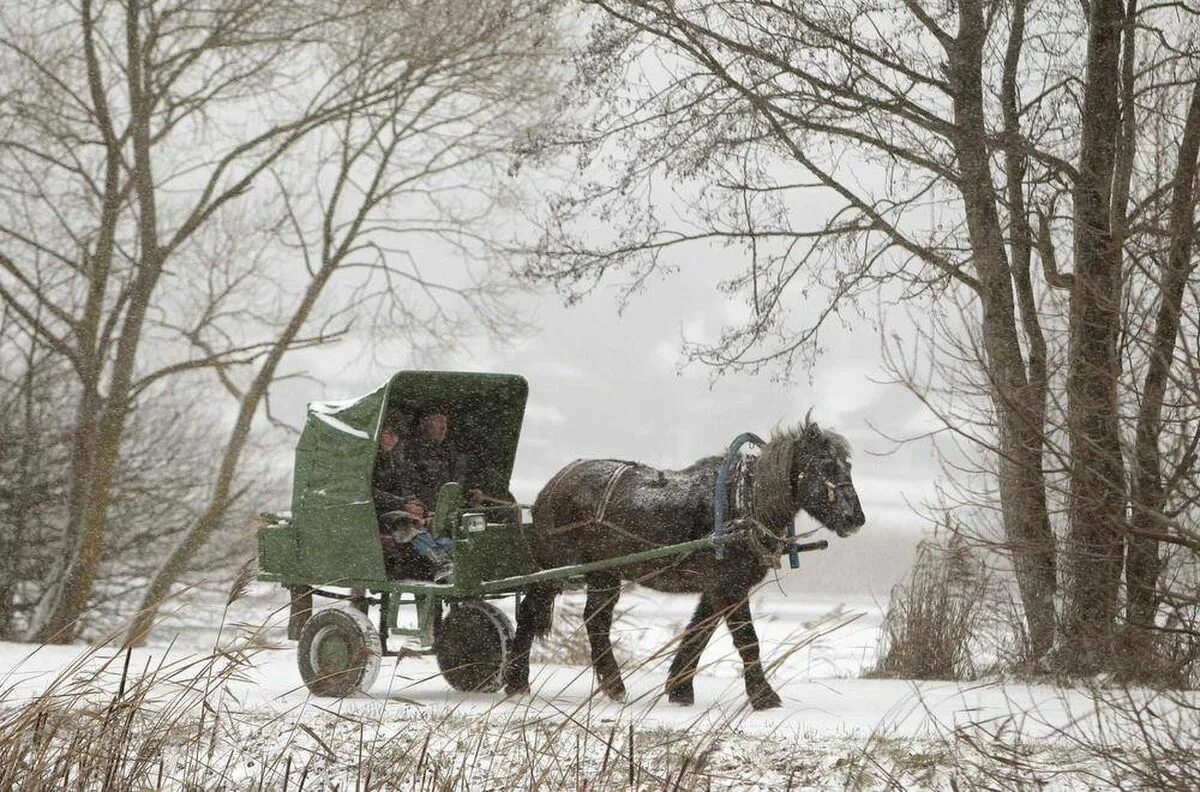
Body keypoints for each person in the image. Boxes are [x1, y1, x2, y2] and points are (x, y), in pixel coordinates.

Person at [373, 406, 473, 583]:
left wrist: (417, 506)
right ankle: (441, 565)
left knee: (437, 524)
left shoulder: (395, 461)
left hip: (397, 511)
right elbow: (370, 492)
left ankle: (454, 559)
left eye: (394, 435)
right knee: (406, 524)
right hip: (373, 515)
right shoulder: (371, 460)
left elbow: (406, 488)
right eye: (387, 433)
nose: (391, 439)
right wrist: (403, 505)